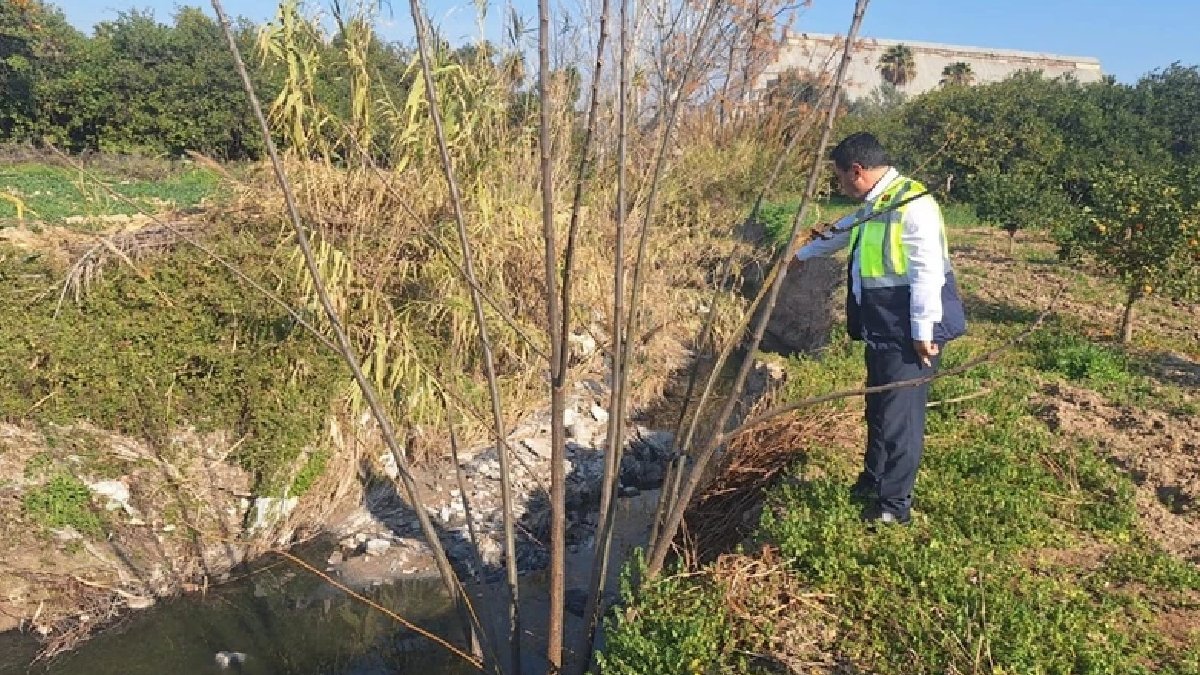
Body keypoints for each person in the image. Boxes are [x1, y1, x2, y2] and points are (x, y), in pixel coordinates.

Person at [792, 132, 966, 525]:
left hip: (909, 332)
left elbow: (927, 271)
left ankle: (893, 507)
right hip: (883, 325)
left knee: (900, 418)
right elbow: (841, 232)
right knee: (879, 410)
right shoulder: (878, 203)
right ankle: (872, 481)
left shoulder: (912, 203)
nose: (840, 188)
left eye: (840, 179)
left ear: (857, 170)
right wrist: (801, 256)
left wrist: (922, 332)